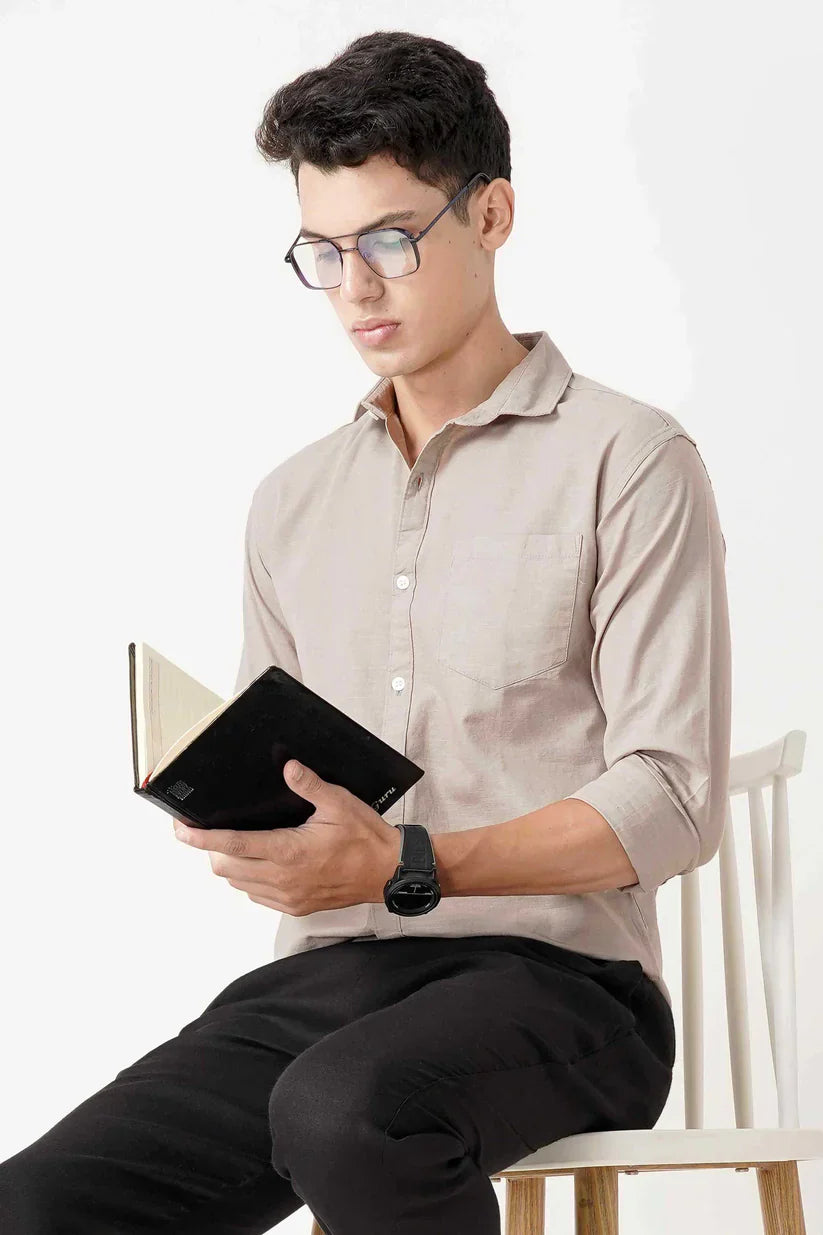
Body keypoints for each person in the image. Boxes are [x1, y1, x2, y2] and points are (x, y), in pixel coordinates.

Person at [0, 27, 731, 1235]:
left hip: (566, 984)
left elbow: (670, 797)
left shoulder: (627, 459)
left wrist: (410, 863)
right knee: (38, 1203)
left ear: (490, 214)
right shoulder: (293, 500)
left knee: (345, 1108)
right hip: (328, 980)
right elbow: (294, 795)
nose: (357, 288)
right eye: (324, 251)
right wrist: (262, 834)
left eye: (391, 239)